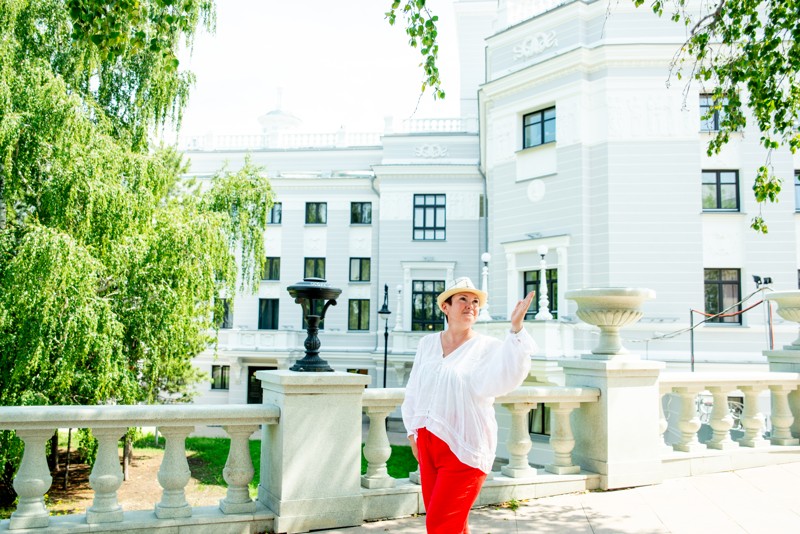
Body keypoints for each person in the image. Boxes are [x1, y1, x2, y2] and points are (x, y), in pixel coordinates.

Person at [401, 277, 537, 533]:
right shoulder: (427, 344)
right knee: (451, 525)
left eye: (475, 301)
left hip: (464, 446)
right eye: (462, 299)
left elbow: (511, 371)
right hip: (427, 444)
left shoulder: (486, 347)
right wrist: (412, 435)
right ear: (445, 307)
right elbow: (414, 391)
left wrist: (516, 327)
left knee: (440, 525)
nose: (470, 305)